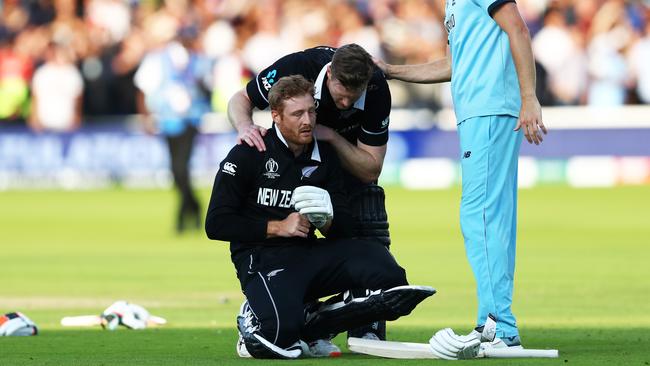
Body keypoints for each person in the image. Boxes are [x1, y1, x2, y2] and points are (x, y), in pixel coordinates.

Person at [205, 75, 434, 359]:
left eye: (312, 111)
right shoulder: (249, 152)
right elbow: (216, 223)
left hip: (307, 253)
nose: (308, 121)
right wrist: (279, 227)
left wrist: (327, 219)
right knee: (280, 339)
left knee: (388, 275)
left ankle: (317, 321)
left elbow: (345, 229)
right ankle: (255, 315)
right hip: (262, 259)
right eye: (297, 114)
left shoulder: (324, 155)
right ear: (275, 116)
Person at [375, 0, 547, 350]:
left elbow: (518, 28)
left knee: (479, 215)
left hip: (489, 108)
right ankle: (498, 323)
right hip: (477, 112)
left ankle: (498, 326)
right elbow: (455, 64)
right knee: (491, 218)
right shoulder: (453, 5)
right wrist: (391, 70)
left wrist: (529, 97)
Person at [227, 43, 392, 345]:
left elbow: (371, 169)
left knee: (373, 245)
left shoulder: (377, 87)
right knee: (293, 247)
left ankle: (364, 325)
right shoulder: (298, 67)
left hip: (347, 169)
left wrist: (331, 137)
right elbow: (241, 99)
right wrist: (245, 126)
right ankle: (272, 306)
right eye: (339, 93)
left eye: (352, 97)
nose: (344, 103)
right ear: (329, 74)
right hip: (298, 169)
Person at [134, 24, 211, 233]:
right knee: (176, 171)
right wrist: (146, 117)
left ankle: (182, 217)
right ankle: (193, 206)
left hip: (191, 120)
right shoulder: (158, 60)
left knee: (181, 168)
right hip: (169, 121)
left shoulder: (199, 61)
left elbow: (207, 88)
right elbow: (142, 89)